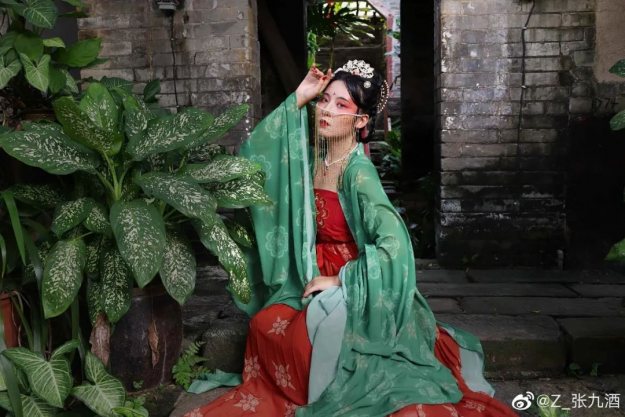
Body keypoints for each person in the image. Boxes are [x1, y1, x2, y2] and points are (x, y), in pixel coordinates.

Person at [182, 60, 519, 417]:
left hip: (351, 278)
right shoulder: (313, 158)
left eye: (341, 105)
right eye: (324, 100)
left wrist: (340, 280)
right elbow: (256, 155)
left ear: (360, 121)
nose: (326, 110)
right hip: (306, 269)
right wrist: (300, 96)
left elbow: (395, 246)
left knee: (304, 341)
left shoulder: (358, 173)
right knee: (265, 324)